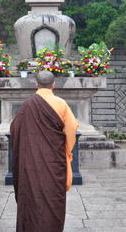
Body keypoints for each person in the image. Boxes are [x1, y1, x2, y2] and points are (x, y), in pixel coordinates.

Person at [10, 70, 78, 232]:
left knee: (32, 195)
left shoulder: (27, 104)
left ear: (36, 85)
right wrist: (65, 151)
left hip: (30, 162)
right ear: (53, 85)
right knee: (53, 197)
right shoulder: (61, 104)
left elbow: (15, 129)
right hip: (54, 161)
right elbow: (71, 131)